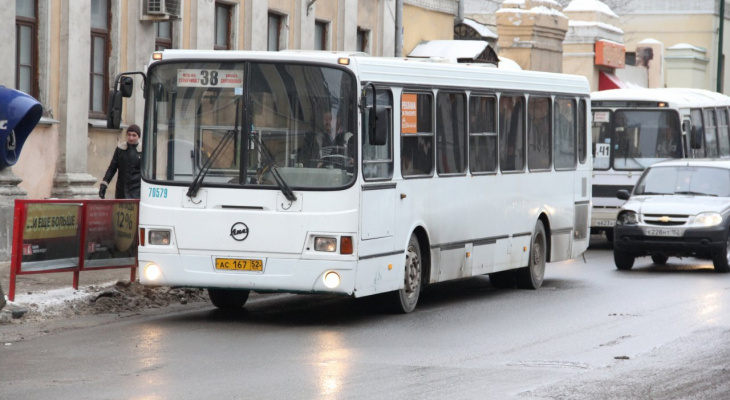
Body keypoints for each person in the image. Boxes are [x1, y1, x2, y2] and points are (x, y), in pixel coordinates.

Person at [99, 124, 142, 199]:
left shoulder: (143, 151)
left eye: (134, 135)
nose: (131, 138)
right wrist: (104, 184)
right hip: (121, 190)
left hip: (137, 191)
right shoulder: (120, 149)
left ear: (139, 137)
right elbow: (112, 168)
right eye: (129, 135)